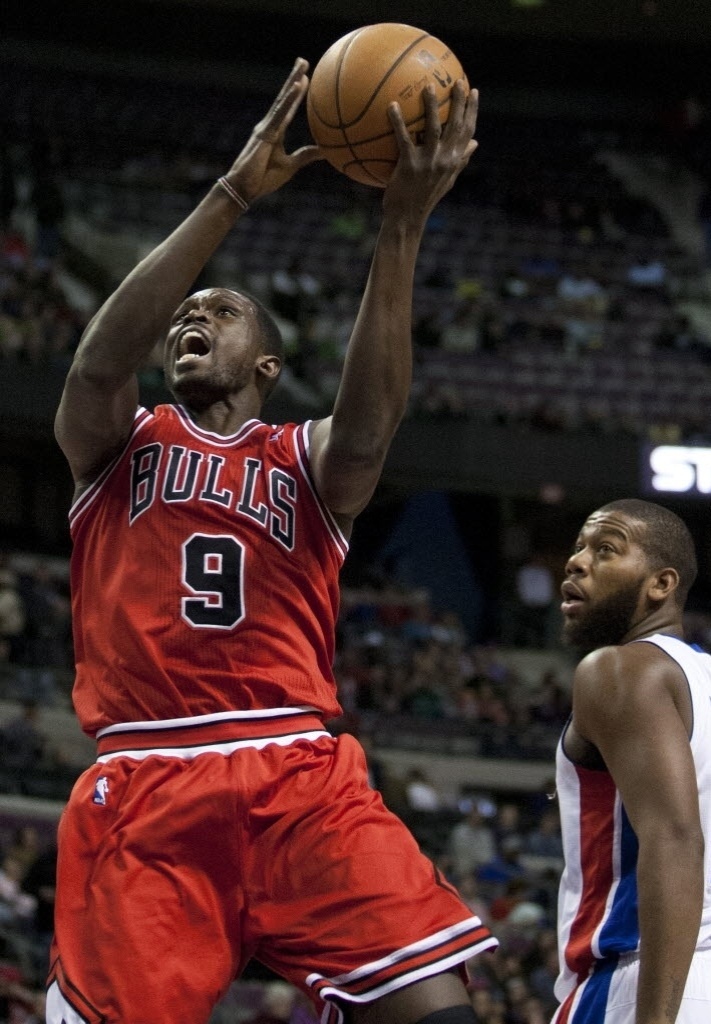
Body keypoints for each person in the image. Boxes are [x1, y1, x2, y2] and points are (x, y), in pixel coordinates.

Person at [48, 58, 496, 1024]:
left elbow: (370, 426)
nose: (191, 318)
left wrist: (402, 223)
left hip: (295, 768)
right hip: (147, 779)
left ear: (268, 362)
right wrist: (228, 196)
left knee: (440, 1010)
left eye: (217, 311)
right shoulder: (120, 446)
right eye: (184, 317)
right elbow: (94, 366)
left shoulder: (305, 458)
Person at [552, 498, 711, 1024]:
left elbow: (675, 839)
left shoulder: (618, 669)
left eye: (605, 550)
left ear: (661, 585)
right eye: (578, 548)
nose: (576, 562)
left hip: (644, 981)